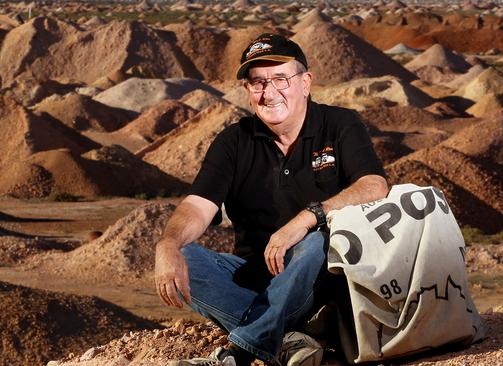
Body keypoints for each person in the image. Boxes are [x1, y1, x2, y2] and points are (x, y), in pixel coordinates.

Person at [154, 33, 389, 366]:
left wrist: (306, 219)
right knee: (185, 255)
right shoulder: (234, 141)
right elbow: (196, 206)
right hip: (255, 280)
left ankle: (239, 353)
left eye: (281, 79)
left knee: (316, 240)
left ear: (306, 83)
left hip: (325, 280)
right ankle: (290, 340)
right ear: (248, 91)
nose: (269, 92)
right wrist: (167, 245)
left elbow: (374, 185)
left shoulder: (338, 125)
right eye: (258, 83)